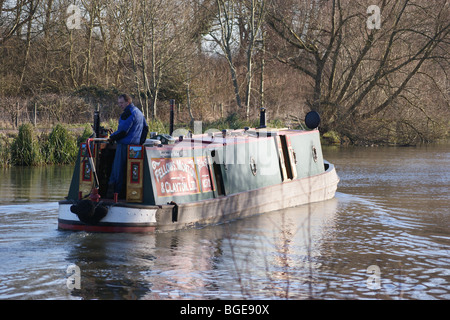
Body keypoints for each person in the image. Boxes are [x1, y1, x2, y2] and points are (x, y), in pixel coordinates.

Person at [107, 94, 148, 197]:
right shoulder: (139, 112)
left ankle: (114, 194)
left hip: (124, 146)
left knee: (117, 171)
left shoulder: (128, 113)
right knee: (132, 172)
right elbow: (145, 128)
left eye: (121, 103)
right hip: (135, 148)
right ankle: (132, 194)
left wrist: (111, 138)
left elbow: (123, 132)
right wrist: (140, 143)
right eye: (118, 103)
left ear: (127, 102)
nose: (119, 105)